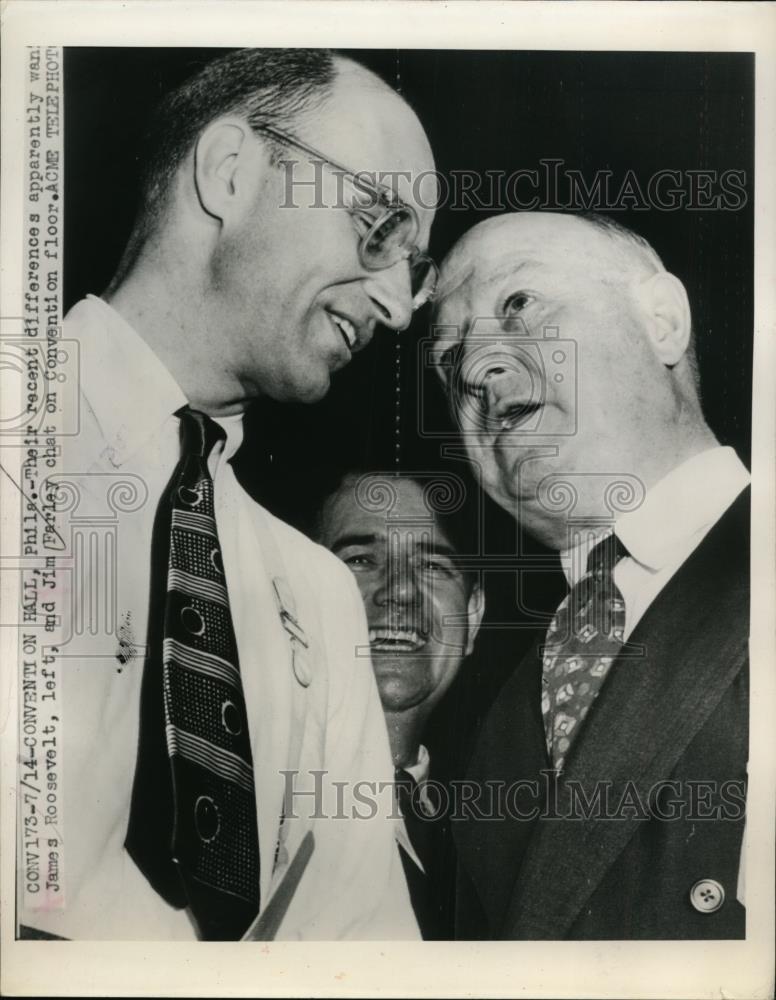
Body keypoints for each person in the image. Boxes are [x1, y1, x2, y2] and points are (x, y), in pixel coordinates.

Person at [20, 48, 439, 941]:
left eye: (418, 265)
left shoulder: (319, 596)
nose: (401, 307)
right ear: (230, 172)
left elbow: (359, 948)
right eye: (379, 225)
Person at [431, 211, 750, 939]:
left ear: (662, 321)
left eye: (521, 306)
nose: (477, 370)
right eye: (449, 359)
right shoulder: (495, 712)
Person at [315, 470, 484, 938]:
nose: (399, 590)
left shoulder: (490, 842)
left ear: (472, 615)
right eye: (362, 559)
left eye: (433, 567)